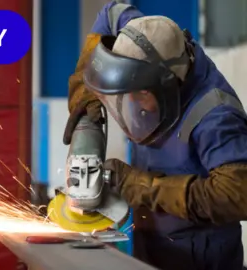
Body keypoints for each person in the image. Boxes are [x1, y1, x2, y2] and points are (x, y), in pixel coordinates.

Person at [63, 1, 247, 270]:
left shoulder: (216, 115)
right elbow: (112, 11)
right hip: (150, 244)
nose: (133, 106)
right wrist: (87, 106)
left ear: (165, 85)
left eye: (140, 97)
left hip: (199, 259)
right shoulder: (145, 39)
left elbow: (237, 195)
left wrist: (143, 187)